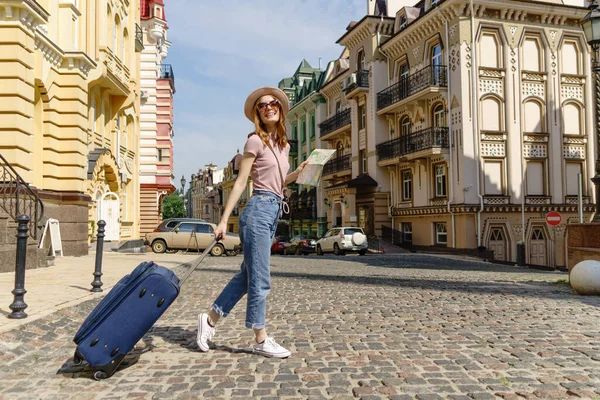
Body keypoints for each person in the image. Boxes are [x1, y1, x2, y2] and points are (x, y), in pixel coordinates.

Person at [196, 87, 308, 358]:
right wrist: (223, 220)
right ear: (257, 113)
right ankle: (260, 338)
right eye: (262, 105)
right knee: (260, 279)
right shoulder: (254, 142)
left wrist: (298, 173)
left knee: (247, 277)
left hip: (272, 212)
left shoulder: (284, 145)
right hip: (257, 211)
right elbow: (242, 182)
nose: (268, 107)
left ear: (280, 109)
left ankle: (209, 320)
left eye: (272, 104)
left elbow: (278, 182)